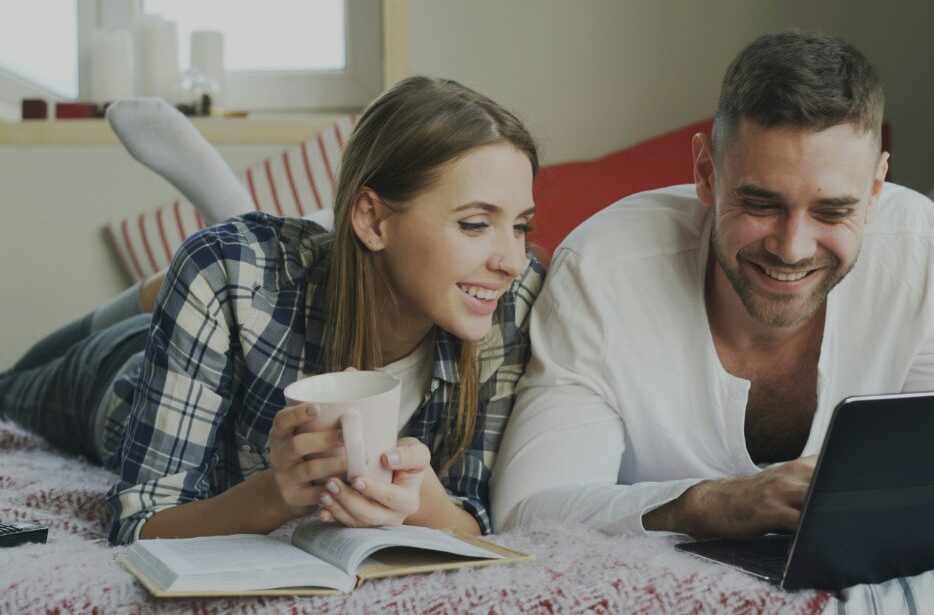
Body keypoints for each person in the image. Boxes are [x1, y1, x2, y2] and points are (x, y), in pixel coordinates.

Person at [490, 31, 934, 539]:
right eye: (762, 204)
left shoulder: (920, 247)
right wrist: (710, 504)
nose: (793, 248)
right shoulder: (603, 267)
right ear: (706, 171)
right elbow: (530, 513)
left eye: (833, 211)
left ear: (876, 189)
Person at [0, 76, 544, 545]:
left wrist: (426, 505)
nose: (513, 261)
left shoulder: (510, 304)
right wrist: (273, 496)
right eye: (475, 223)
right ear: (374, 220)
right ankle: (154, 294)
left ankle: (190, 278)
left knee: (242, 275)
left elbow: (474, 515)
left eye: (520, 225)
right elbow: (140, 520)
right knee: (9, 385)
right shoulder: (221, 267)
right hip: (121, 382)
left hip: (257, 303)